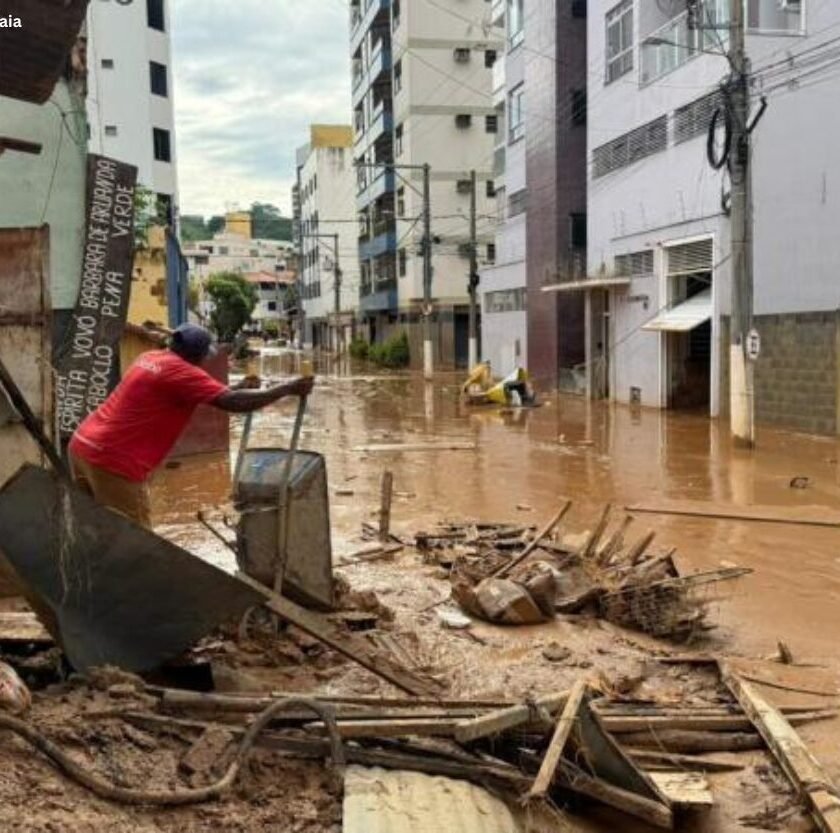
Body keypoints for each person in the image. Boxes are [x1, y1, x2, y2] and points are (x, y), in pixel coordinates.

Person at [68, 323, 313, 527]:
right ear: (196, 356)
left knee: (92, 529)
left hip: (82, 447)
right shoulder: (183, 372)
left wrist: (235, 389)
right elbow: (231, 403)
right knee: (137, 545)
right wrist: (286, 389)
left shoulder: (149, 357)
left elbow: (191, 395)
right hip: (113, 462)